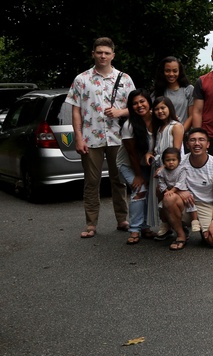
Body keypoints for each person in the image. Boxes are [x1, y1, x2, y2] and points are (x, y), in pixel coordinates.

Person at [67, 36, 134, 238]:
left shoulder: (125, 78)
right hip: (90, 137)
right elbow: (76, 110)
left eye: (106, 52)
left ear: (113, 55)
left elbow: (137, 107)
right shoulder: (81, 79)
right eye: (99, 52)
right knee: (91, 182)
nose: (103, 56)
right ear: (93, 54)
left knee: (119, 180)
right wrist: (78, 137)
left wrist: (119, 112)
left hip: (118, 137)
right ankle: (91, 224)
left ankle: (122, 219)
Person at [161, 128, 213, 250]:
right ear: (187, 144)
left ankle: (208, 228)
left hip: (208, 205)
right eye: (192, 140)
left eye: (201, 140)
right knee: (168, 199)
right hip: (186, 204)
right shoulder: (179, 163)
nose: (197, 143)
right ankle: (181, 234)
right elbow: (162, 185)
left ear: (208, 144)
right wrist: (180, 191)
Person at [117, 90, 155, 244]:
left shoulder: (156, 119)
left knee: (148, 193)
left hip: (146, 164)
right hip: (128, 164)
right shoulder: (129, 125)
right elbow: (132, 154)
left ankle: (145, 227)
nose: (139, 105)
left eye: (142, 101)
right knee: (140, 190)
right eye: (135, 103)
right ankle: (134, 230)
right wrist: (138, 175)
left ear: (149, 102)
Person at [148, 96, 185, 238]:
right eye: (156, 109)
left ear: (169, 108)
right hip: (158, 167)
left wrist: (164, 166)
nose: (160, 111)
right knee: (160, 196)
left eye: (163, 108)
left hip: (171, 168)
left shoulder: (176, 126)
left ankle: (178, 226)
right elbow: (156, 147)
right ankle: (165, 223)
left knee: (170, 195)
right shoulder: (158, 128)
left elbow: (176, 151)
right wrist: (149, 154)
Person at [155, 147, 198, 237]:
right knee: (162, 206)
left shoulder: (181, 169)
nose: (171, 162)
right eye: (168, 160)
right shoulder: (162, 172)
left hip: (182, 190)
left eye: (174, 160)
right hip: (168, 192)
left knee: (190, 203)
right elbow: (161, 182)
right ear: (163, 161)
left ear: (178, 160)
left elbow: (180, 182)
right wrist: (167, 191)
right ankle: (165, 223)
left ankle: (195, 221)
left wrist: (172, 191)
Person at [152, 56, 194, 128]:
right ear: (163, 71)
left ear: (179, 71)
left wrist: (180, 132)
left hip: (183, 134)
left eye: (175, 71)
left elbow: (192, 116)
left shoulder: (188, 89)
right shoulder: (156, 92)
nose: (171, 74)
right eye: (167, 71)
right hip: (163, 134)